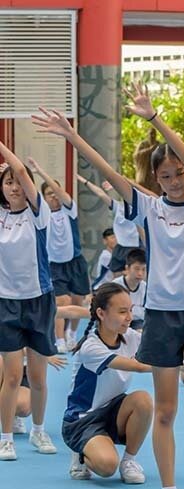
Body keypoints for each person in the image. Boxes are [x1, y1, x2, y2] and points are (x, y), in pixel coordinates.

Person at [34, 85, 184, 489]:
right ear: (156, 180)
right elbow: (108, 172)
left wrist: (154, 119)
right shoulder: (147, 207)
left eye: (178, 174)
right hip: (164, 319)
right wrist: (72, 138)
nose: (174, 180)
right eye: (165, 176)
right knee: (165, 409)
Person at [0, 144, 58, 460]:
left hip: (39, 301)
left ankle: (38, 430)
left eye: (19, 182)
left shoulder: (39, 214)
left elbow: (21, 170)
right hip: (6, 303)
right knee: (11, 376)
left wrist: (11, 162)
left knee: (37, 377)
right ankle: (6, 437)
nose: (15, 187)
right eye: (8, 182)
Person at [63, 283, 153, 484]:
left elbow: (160, 347)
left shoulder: (130, 337)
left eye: (130, 310)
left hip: (113, 411)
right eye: (122, 312)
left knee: (143, 400)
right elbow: (137, 366)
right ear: (101, 314)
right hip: (82, 421)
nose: (129, 317)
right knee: (106, 467)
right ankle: (80, 453)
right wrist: (172, 366)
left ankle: (129, 461)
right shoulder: (90, 347)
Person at [29, 159, 91, 352]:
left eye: (56, 193)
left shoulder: (68, 210)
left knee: (78, 301)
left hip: (75, 262)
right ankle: (59, 339)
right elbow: (31, 195)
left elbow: (61, 194)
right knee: (61, 302)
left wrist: (40, 170)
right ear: (44, 197)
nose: (54, 197)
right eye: (49, 194)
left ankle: (72, 334)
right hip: (54, 265)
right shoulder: (42, 213)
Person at [77, 175, 143, 276]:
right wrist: (84, 181)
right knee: (116, 279)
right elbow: (101, 194)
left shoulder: (140, 207)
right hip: (120, 248)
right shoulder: (117, 207)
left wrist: (128, 181)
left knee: (137, 276)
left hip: (135, 248)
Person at [112, 248, 147, 330]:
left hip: (136, 322)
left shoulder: (146, 288)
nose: (140, 273)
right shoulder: (115, 286)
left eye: (144, 269)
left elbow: (146, 314)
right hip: (117, 320)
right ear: (127, 268)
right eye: (137, 269)